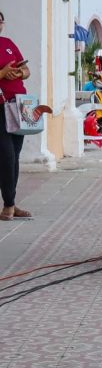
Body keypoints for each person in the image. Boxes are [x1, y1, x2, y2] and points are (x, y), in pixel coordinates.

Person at [0, 12, 31, 222]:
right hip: (0, 107)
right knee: (6, 156)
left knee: (15, 156)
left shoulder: (8, 43)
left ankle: (10, 202)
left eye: (0, 21)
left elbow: (26, 70)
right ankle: (9, 205)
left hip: (19, 105)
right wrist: (3, 73)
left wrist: (18, 73)